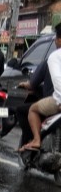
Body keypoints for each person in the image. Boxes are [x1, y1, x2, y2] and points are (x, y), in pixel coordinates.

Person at [19, 23, 61, 151]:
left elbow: (57, 81)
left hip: (57, 100)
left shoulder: (53, 57)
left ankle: (36, 140)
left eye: (56, 39)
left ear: (59, 40)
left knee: (31, 109)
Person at [15, 57, 53, 149]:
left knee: (26, 110)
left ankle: (34, 139)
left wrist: (25, 84)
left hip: (54, 101)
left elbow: (32, 83)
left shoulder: (51, 59)